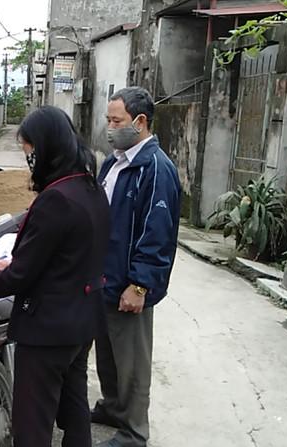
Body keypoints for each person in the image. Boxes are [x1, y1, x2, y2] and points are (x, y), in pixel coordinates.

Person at [0, 105, 111, 447]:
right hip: (82, 323)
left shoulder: (55, 199)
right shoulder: (90, 189)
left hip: (48, 331)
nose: (29, 159)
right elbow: (66, 258)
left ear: (48, 146)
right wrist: (12, 264)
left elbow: (20, 278)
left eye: (29, 151)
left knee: (33, 424)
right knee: (74, 408)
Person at [92, 87, 181, 447]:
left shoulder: (156, 170)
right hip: (105, 278)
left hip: (130, 284)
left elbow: (158, 235)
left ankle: (133, 431)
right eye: (108, 120)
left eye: (118, 121)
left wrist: (141, 285)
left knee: (133, 364)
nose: (111, 128)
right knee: (108, 355)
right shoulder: (114, 162)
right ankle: (113, 407)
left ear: (140, 122)